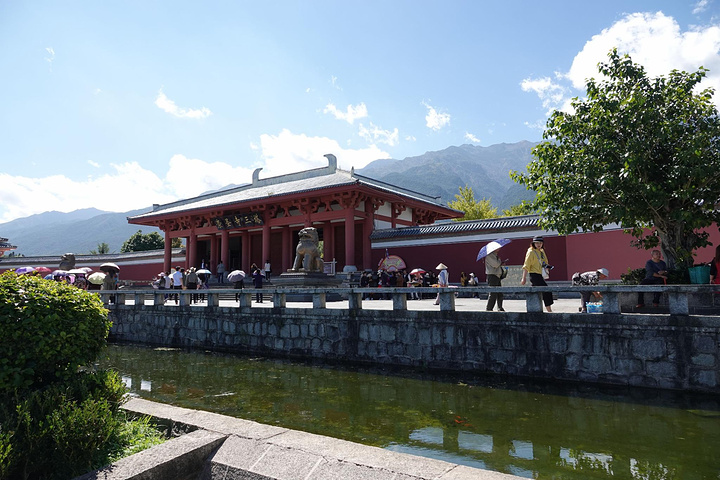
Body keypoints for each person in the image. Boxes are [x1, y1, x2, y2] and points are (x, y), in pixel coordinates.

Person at [521, 236, 553, 312]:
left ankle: (539, 308)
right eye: (537, 243)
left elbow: (545, 262)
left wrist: (547, 267)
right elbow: (526, 265)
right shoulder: (531, 252)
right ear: (533, 243)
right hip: (533, 274)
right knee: (546, 290)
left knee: (539, 292)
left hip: (540, 274)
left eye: (540, 243)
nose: (539, 244)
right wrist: (524, 278)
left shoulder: (541, 252)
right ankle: (549, 310)